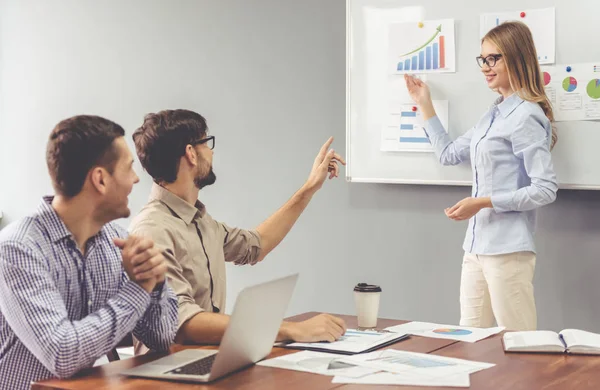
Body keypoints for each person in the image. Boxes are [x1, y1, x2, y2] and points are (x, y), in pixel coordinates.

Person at [129, 109, 347, 353]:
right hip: (165, 374)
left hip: (206, 360)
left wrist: (310, 187)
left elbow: (257, 244)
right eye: (206, 143)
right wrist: (287, 329)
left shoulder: (200, 221)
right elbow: (182, 321)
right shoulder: (152, 230)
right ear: (191, 153)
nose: (211, 152)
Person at [0, 115, 178, 389]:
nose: (136, 179)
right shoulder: (17, 248)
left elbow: (162, 339)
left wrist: (154, 283)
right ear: (100, 180)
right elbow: (63, 354)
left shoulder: (119, 242)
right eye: (129, 168)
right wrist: (138, 289)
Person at [405, 21, 558, 331]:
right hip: (475, 248)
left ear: (516, 57)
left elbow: (544, 189)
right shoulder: (493, 114)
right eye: (483, 60)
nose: (486, 67)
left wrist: (483, 202)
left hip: (508, 251)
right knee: (469, 341)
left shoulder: (526, 115)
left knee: (519, 346)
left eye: (494, 59)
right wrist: (424, 104)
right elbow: (448, 154)